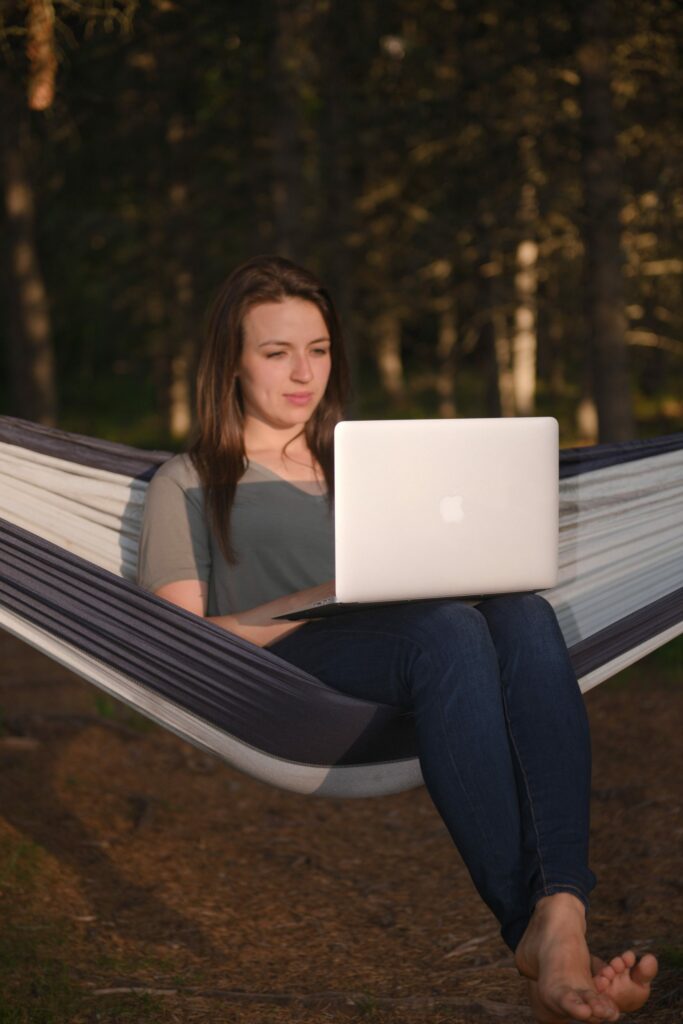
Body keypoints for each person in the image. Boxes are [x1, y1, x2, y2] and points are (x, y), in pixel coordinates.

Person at [138, 254, 658, 1024]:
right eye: (275, 351)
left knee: (522, 613)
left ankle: (561, 915)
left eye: (316, 350)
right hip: (287, 673)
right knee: (446, 631)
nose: (301, 372)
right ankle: (527, 925)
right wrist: (319, 600)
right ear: (231, 362)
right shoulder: (185, 482)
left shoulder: (368, 464)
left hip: (416, 651)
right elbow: (185, 644)